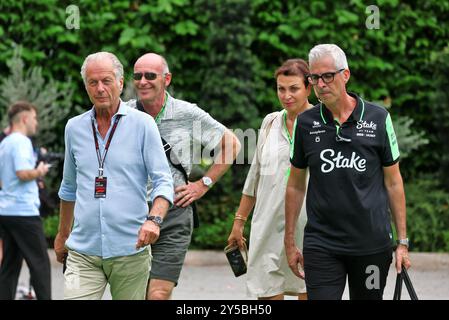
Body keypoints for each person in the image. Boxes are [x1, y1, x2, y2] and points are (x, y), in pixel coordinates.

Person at [284, 44, 411, 300]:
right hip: (322, 244)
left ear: (345, 75)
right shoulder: (306, 124)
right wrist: (289, 241)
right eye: (314, 78)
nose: (320, 84)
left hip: (371, 244)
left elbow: (394, 182)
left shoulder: (377, 118)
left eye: (327, 76)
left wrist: (403, 242)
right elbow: (295, 184)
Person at [54, 52, 174, 300]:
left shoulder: (143, 125)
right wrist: (63, 234)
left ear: (120, 83)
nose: (99, 89)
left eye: (106, 81)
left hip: (131, 250)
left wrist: (154, 220)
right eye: (92, 82)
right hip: (82, 251)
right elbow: (69, 187)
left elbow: (163, 180)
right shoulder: (74, 128)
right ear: (85, 85)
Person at [130, 53, 241, 300]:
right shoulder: (124, 113)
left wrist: (204, 184)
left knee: (158, 294)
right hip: (131, 214)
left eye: (150, 75)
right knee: (133, 293)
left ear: (166, 79)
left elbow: (232, 144)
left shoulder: (187, 114)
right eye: (138, 76)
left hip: (175, 213)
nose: (143, 81)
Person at [227, 59, 312, 300]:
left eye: (293, 88)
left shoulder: (322, 125)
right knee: (266, 293)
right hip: (266, 226)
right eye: (280, 89)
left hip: (308, 229)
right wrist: (239, 221)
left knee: (309, 290)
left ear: (309, 88)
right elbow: (255, 176)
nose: (286, 95)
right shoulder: (270, 121)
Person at [0, 101, 51, 300]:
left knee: (10, 265)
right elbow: (22, 173)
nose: (36, 123)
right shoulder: (21, 142)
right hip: (24, 213)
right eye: (34, 118)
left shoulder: (4, 143)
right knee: (40, 264)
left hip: (5, 211)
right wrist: (39, 171)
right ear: (24, 118)